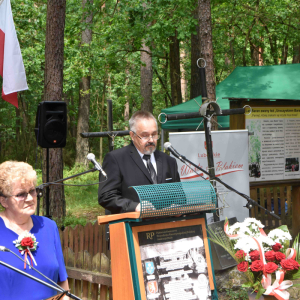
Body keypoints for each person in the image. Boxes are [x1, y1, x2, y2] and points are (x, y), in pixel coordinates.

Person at [0, 161, 69, 300]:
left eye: (32, 191)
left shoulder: (49, 226)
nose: (30, 198)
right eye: (21, 194)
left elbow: (62, 285)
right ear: (4, 201)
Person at [98, 110, 181, 214]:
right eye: (145, 135)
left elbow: (179, 197)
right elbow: (106, 196)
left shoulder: (169, 161)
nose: (151, 140)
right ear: (132, 136)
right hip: (132, 226)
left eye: (154, 134)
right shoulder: (116, 159)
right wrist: (135, 207)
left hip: (166, 226)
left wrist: (178, 207)